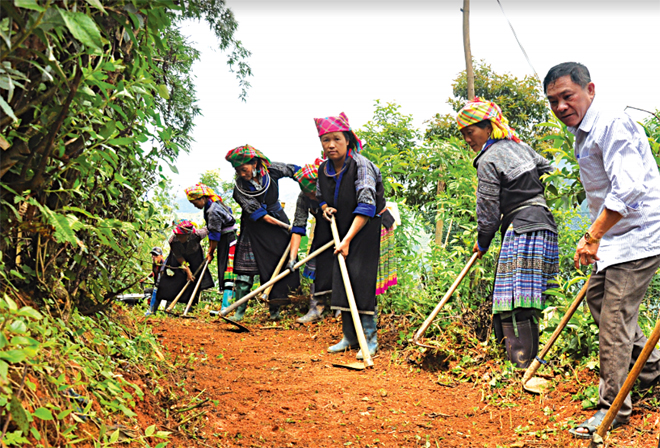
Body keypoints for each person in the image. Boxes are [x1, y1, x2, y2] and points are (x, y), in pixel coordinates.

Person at [544, 62, 660, 438]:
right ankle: (651, 368)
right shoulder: (583, 133)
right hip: (616, 237)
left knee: (614, 320)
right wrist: (598, 238)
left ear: (589, 90)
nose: (561, 106)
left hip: (642, 234)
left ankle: (612, 408)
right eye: (553, 101)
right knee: (599, 300)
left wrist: (591, 236)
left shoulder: (612, 124)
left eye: (567, 96)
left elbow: (628, 187)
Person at [456, 97, 559, 369]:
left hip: (522, 229)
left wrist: (483, 241)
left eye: (471, 131)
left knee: (515, 296)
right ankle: (540, 360)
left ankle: (521, 364)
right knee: (539, 293)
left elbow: (487, 211)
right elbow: (552, 173)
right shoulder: (521, 147)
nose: (468, 139)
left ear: (489, 128)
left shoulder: (488, 159)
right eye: (464, 134)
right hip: (545, 225)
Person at [315, 112, 386, 360]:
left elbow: (367, 205)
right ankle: (349, 337)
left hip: (366, 230)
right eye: (325, 140)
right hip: (341, 230)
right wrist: (326, 208)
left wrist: (347, 239)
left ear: (348, 139)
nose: (331, 145)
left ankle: (370, 338)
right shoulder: (323, 169)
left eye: (336, 139)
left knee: (361, 280)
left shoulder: (361, 165)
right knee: (342, 281)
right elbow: (320, 197)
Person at [225, 145, 301, 321]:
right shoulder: (239, 190)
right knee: (245, 273)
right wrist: (287, 227)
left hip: (279, 223)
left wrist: (309, 183)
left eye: (244, 169)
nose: (242, 174)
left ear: (254, 163)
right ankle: (238, 313)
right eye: (238, 171)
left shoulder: (271, 170)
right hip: (255, 227)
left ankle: (275, 312)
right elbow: (262, 216)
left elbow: (295, 170)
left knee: (277, 266)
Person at [288, 158, 334, 323]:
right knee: (319, 268)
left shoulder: (333, 190)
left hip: (343, 229)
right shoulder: (304, 197)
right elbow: (298, 226)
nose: (312, 197)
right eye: (309, 195)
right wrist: (292, 258)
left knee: (342, 267)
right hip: (322, 230)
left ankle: (340, 309)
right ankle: (316, 308)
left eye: (314, 194)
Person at [185, 183, 237, 310]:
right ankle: (228, 305)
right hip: (229, 238)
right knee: (227, 269)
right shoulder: (215, 204)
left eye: (195, 202)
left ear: (202, 198)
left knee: (227, 270)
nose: (195, 205)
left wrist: (210, 252)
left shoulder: (213, 210)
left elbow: (214, 235)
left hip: (228, 240)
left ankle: (227, 306)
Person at [155, 219, 215, 310]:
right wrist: (187, 270)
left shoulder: (197, 235)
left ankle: (190, 309)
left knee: (194, 283)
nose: (178, 237)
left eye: (181, 236)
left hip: (195, 259)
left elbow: (211, 228)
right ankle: (157, 309)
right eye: (177, 235)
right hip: (178, 261)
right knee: (169, 282)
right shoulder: (173, 241)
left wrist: (210, 251)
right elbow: (179, 256)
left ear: (188, 235)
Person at [144, 246, 166, 316]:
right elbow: (154, 272)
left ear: (161, 256)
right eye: (153, 255)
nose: (154, 257)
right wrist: (145, 278)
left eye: (156, 255)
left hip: (166, 288)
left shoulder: (164, 265)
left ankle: (166, 314)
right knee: (147, 291)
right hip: (157, 287)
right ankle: (152, 311)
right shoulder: (154, 264)